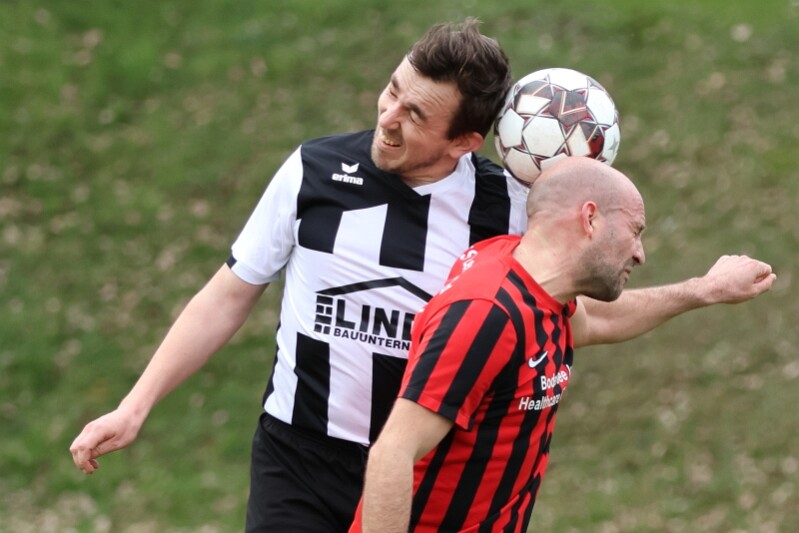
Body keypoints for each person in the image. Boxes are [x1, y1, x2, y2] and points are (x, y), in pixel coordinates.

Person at [69, 17, 773, 533]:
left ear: (466, 140)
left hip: (423, 473)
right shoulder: (313, 171)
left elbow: (575, 322)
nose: (388, 117)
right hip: (298, 456)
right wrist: (136, 404)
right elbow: (229, 292)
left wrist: (700, 291)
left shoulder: (504, 210)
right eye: (391, 91)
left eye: (415, 113)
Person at [351, 157, 776, 533]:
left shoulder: (539, 288)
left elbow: (600, 320)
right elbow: (393, 452)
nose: (640, 253)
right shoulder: (487, 314)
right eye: (635, 231)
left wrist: (706, 289)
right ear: (590, 218)